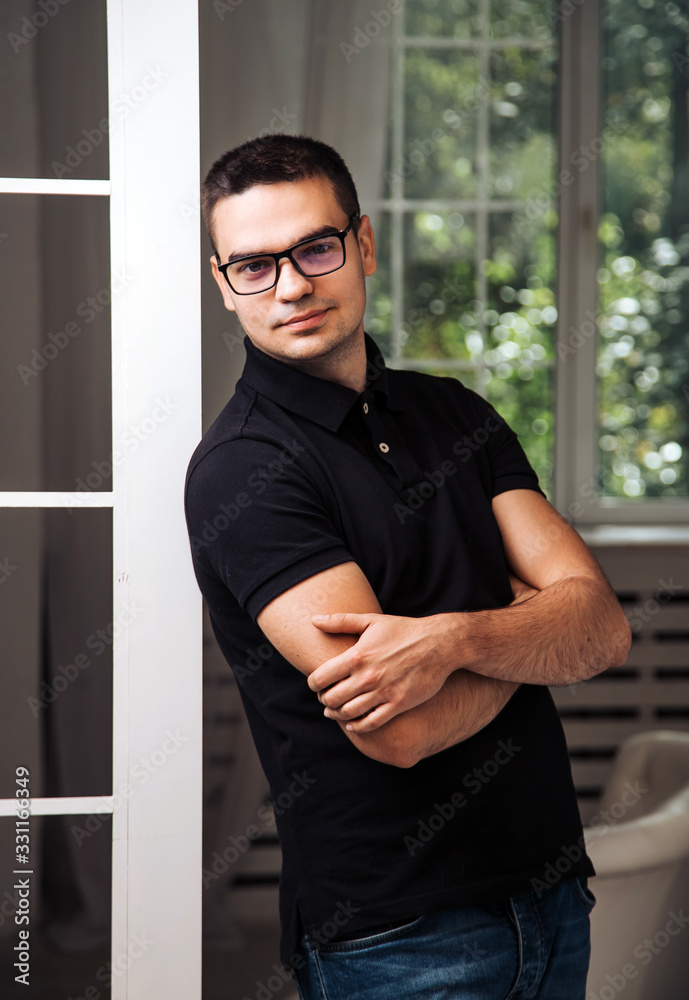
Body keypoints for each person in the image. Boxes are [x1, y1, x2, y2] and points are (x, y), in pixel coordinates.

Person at [184, 133, 631, 1000]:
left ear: (364, 246)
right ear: (223, 283)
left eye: (315, 248)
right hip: (398, 940)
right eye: (253, 265)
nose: (291, 286)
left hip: (549, 895)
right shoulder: (244, 471)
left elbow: (602, 629)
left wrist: (450, 640)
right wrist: (527, 626)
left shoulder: (450, 410)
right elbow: (400, 731)